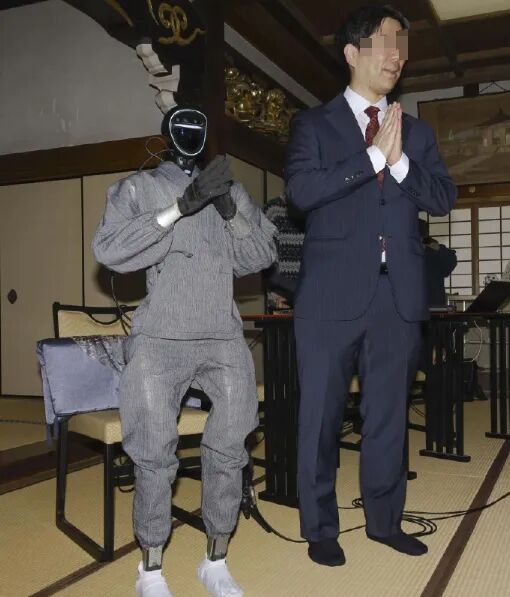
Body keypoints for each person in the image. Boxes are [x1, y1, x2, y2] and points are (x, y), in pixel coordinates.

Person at [285, 4, 457, 567]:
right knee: (321, 417)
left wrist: (400, 162)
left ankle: (385, 522)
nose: (397, 57)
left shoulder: (417, 132)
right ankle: (319, 528)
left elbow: (443, 197)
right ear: (352, 52)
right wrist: (370, 157)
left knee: (387, 417)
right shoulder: (313, 125)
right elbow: (301, 193)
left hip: (397, 295)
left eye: (402, 47)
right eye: (386, 43)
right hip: (328, 295)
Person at [93, 106, 277, 597]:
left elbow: (263, 255)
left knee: (231, 443)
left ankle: (215, 560)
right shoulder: (139, 187)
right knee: (154, 451)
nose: (192, 133)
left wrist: (229, 210)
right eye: (182, 126)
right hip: (160, 336)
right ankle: (150, 570)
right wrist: (179, 207)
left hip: (221, 333)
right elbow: (109, 250)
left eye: (199, 127)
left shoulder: (229, 189)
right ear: (166, 134)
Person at [262, 194, 305, 311]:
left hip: (314, 299)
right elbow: (265, 263)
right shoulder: (273, 210)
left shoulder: (319, 210)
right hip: (282, 302)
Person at [423, 236, 457, 307]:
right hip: (436, 294)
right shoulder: (441, 254)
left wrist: (439, 249)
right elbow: (447, 270)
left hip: (429, 294)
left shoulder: (430, 254)